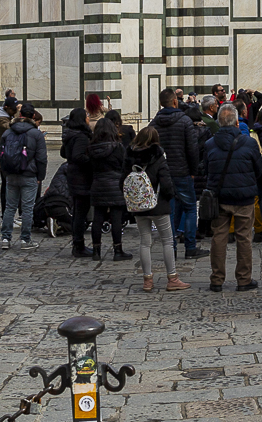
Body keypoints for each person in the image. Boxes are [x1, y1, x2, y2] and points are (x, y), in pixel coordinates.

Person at [203, 104, 261, 292]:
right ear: (237, 122)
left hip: (219, 197)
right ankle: (244, 279)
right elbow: (259, 170)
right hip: (244, 197)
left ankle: (217, 279)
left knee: (218, 237)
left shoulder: (210, 144)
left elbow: (205, 170)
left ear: (219, 122)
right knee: (244, 237)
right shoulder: (249, 143)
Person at [126, 123, 188, 292]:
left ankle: (147, 280)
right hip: (158, 205)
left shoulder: (129, 156)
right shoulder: (158, 157)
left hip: (138, 205)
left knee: (145, 242)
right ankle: (172, 278)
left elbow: (122, 182)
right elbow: (166, 183)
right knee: (167, 240)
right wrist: (168, 197)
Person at [152, 92, 204, 262]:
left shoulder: (154, 123)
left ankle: (171, 249)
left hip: (163, 173)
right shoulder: (185, 121)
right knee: (189, 208)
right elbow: (192, 149)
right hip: (182, 171)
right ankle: (190, 247)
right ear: (175, 101)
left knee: (170, 211)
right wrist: (193, 170)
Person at [0, 103, 46, 249]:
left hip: (11, 174)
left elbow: (1, 155)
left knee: (10, 207)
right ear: (34, 116)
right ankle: (25, 239)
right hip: (29, 174)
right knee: (27, 208)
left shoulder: (8, 132)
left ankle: (5, 239)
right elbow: (41, 158)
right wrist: (40, 177)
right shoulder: (36, 134)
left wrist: (5, 172)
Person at [61, 94, 104, 258]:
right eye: (86, 116)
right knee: (80, 212)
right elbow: (79, 156)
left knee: (79, 211)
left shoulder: (70, 134)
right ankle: (78, 246)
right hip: (81, 178)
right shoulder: (80, 136)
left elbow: (64, 152)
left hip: (74, 176)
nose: (88, 118)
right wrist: (92, 161)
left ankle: (77, 244)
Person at [86, 115, 130, 260]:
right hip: (115, 184)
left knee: (98, 218)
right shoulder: (117, 147)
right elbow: (124, 166)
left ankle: (96, 251)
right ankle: (118, 250)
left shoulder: (91, 148)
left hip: (98, 183)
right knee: (116, 218)